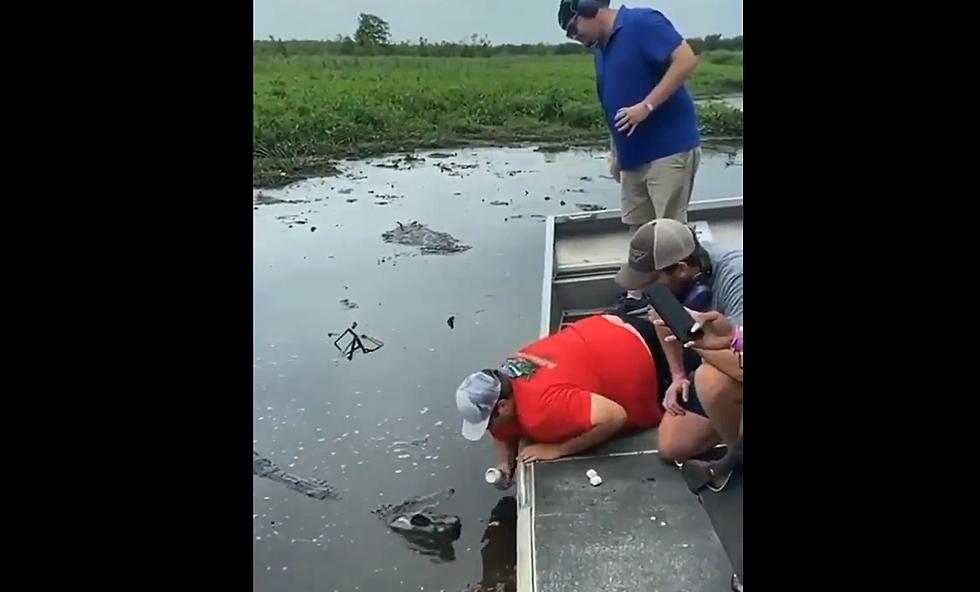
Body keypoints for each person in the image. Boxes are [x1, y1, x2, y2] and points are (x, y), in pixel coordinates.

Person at [455, 312, 700, 479]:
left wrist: (559, 449)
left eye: (488, 422)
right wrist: (503, 464)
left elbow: (614, 416)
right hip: (618, 324)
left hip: (656, 364)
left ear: (504, 406)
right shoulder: (512, 366)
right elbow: (500, 429)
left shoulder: (540, 412)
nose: (489, 430)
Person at [557, 1, 701, 228]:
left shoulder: (642, 23)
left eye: (573, 29)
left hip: (668, 151)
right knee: (639, 233)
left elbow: (686, 60)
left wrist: (646, 106)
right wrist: (616, 153)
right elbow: (611, 103)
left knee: (669, 234)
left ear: (588, 11)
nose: (574, 37)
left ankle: (689, 264)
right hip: (632, 159)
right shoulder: (601, 50)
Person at [615, 218, 742, 461]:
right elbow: (660, 317)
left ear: (681, 268)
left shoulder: (736, 279)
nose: (644, 291)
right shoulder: (669, 285)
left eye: (650, 282)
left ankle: (737, 456)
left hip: (737, 360)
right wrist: (678, 376)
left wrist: (694, 340)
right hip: (720, 355)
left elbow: (740, 366)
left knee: (711, 381)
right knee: (674, 447)